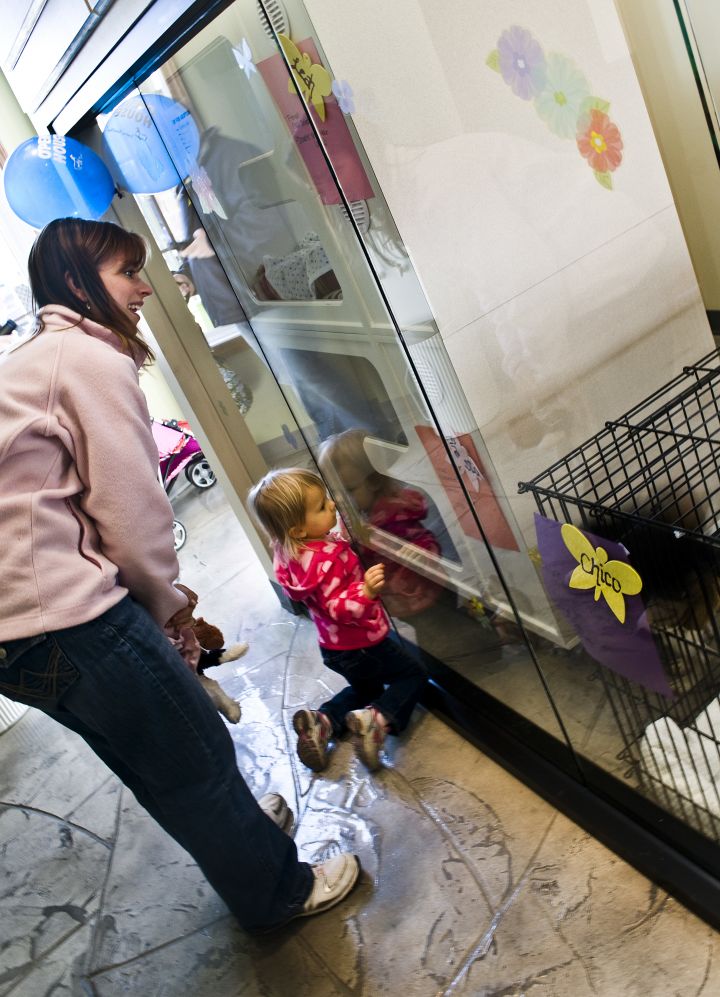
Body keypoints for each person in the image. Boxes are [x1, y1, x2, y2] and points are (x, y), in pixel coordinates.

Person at [0, 217, 360, 932]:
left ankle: (245, 837)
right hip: (72, 621)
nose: (143, 288)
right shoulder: (86, 359)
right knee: (194, 750)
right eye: (126, 272)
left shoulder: (32, 359)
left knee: (155, 758)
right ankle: (276, 890)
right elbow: (132, 516)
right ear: (76, 284)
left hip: (19, 646)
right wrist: (172, 613)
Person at [247, 467, 428, 773]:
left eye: (326, 499)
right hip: (362, 644)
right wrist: (366, 591)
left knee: (365, 689)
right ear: (298, 531)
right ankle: (376, 722)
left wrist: (336, 525)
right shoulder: (327, 561)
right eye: (321, 506)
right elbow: (337, 606)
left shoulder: (290, 552)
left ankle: (323, 723)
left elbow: (324, 549)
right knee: (412, 675)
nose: (331, 505)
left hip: (333, 647)